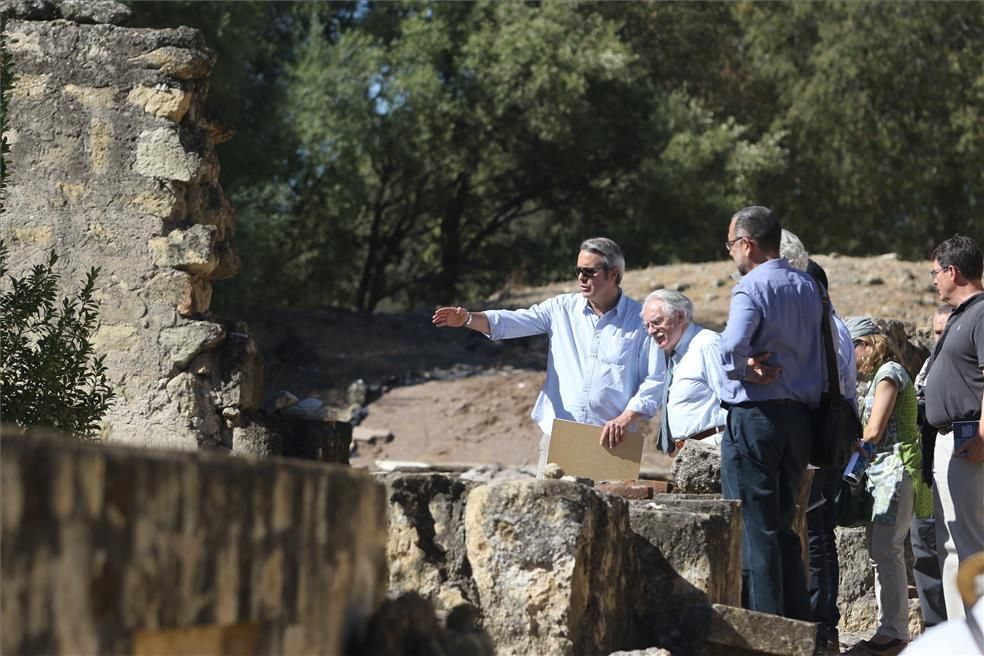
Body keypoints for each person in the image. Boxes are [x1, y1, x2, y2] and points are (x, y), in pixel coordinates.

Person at [432, 237, 662, 477]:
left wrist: (627, 417)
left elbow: (656, 378)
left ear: (613, 274)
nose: (581, 278)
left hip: (614, 442)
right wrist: (467, 319)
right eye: (578, 270)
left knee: (611, 514)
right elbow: (511, 322)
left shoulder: (642, 320)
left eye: (588, 271)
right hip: (560, 439)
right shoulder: (560, 308)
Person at [718, 205, 824, 620]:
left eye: (730, 245)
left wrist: (745, 367)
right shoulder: (809, 285)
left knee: (755, 531)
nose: (730, 254)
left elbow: (730, 348)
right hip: (799, 419)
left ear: (746, 244)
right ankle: (799, 625)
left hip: (757, 417)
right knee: (784, 527)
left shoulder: (750, 287)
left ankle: (767, 633)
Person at [846, 317, 934, 654]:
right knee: (883, 552)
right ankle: (890, 629)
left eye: (850, 348)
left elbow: (874, 431)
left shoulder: (889, 375)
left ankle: (894, 632)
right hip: (885, 475)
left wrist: (849, 444)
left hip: (895, 474)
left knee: (887, 551)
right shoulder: (882, 376)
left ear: (865, 345)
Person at [924, 234, 984, 622]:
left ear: (952, 270)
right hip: (947, 440)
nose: (932, 281)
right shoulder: (961, 315)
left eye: (935, 272)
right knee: (950, 546)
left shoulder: (982, 313)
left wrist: (982, 436)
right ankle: (957, 639)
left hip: (970, 441)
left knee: (973, 547)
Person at [804, 259, 857, 650]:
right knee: (818, 534)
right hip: (830, 440)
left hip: (818, 441)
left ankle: (822, 626)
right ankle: (823, 626)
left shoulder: (825, 328)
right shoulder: (834, 325)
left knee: (816, 535)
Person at [640, 289, 726, 455]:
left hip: (714, 449)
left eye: (656, 322)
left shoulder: (707, 344)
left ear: (679, 316)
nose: (651, 331)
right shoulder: (676, 355)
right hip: (689, 453)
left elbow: (733, 400)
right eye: (647, 326)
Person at [910, 305, 954, 629]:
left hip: (958, 468)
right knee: (924, 551)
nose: (940, 339)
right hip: (926, 474)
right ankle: (935, 631)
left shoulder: (965, 367)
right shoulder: (927, 368)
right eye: (935, 332)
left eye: (945, 332)